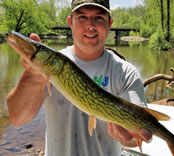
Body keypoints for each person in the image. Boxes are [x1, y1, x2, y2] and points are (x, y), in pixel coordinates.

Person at [6, 0, 152, 156]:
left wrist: (128, 137)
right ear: (70, 22)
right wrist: (32, 74)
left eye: (99, 18)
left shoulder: (127, 73)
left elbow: (140, 134)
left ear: (110, 23)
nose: (90, 25)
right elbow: (18, 118)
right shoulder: (50, 66)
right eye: (82, 17)